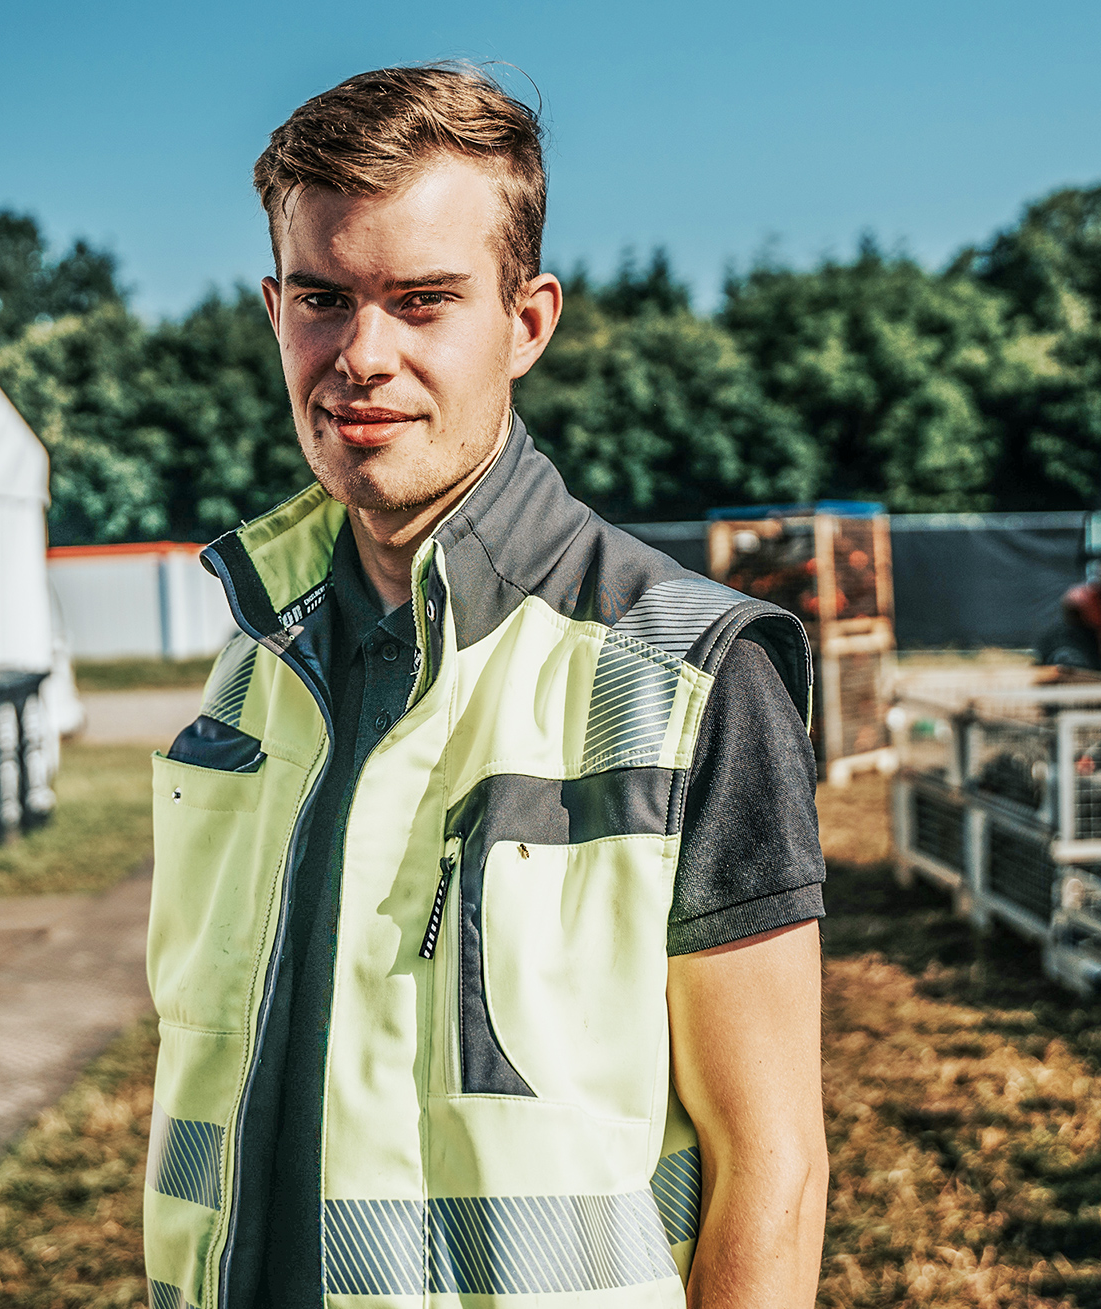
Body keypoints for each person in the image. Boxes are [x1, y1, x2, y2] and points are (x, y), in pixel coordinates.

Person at [145, 64, 827, 1309]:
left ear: (526, 321)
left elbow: (768, 1168)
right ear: (273, 308)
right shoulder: (254, 671)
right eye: (321, 298)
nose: (363, 356)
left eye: (423, 301)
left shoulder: (689, 673)